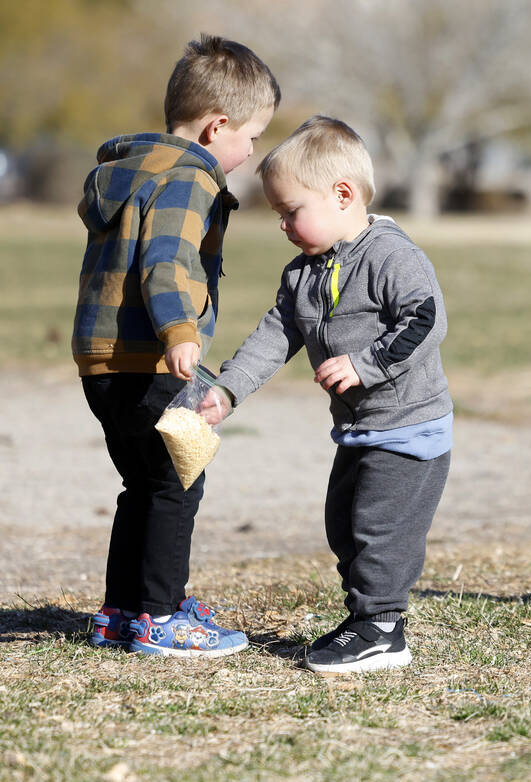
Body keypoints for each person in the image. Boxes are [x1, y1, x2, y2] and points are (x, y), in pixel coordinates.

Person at [203, 116, 453, 673]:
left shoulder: (391, 256)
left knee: (377, 528)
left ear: (343, 196)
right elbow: (275, 335)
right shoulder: (303, 274)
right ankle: (364, 618)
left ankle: (384, 628)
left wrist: (367, 365)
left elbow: (426, 320)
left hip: (409, 427)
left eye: (292, 212)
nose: (285, 226)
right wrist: (228, 391)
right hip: (360, 429)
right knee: (342, 523)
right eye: (279, 215)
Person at [73, 34, 279, 656]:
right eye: (252, 135)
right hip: (155, 356)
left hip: (101, 363)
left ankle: (121, 610)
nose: (252, 150)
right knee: (176, 482)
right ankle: (160, 618)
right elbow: (165, 262)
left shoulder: (129, 172)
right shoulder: (191, 180)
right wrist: (180, 333)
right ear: (218, 127)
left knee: (143, 483)